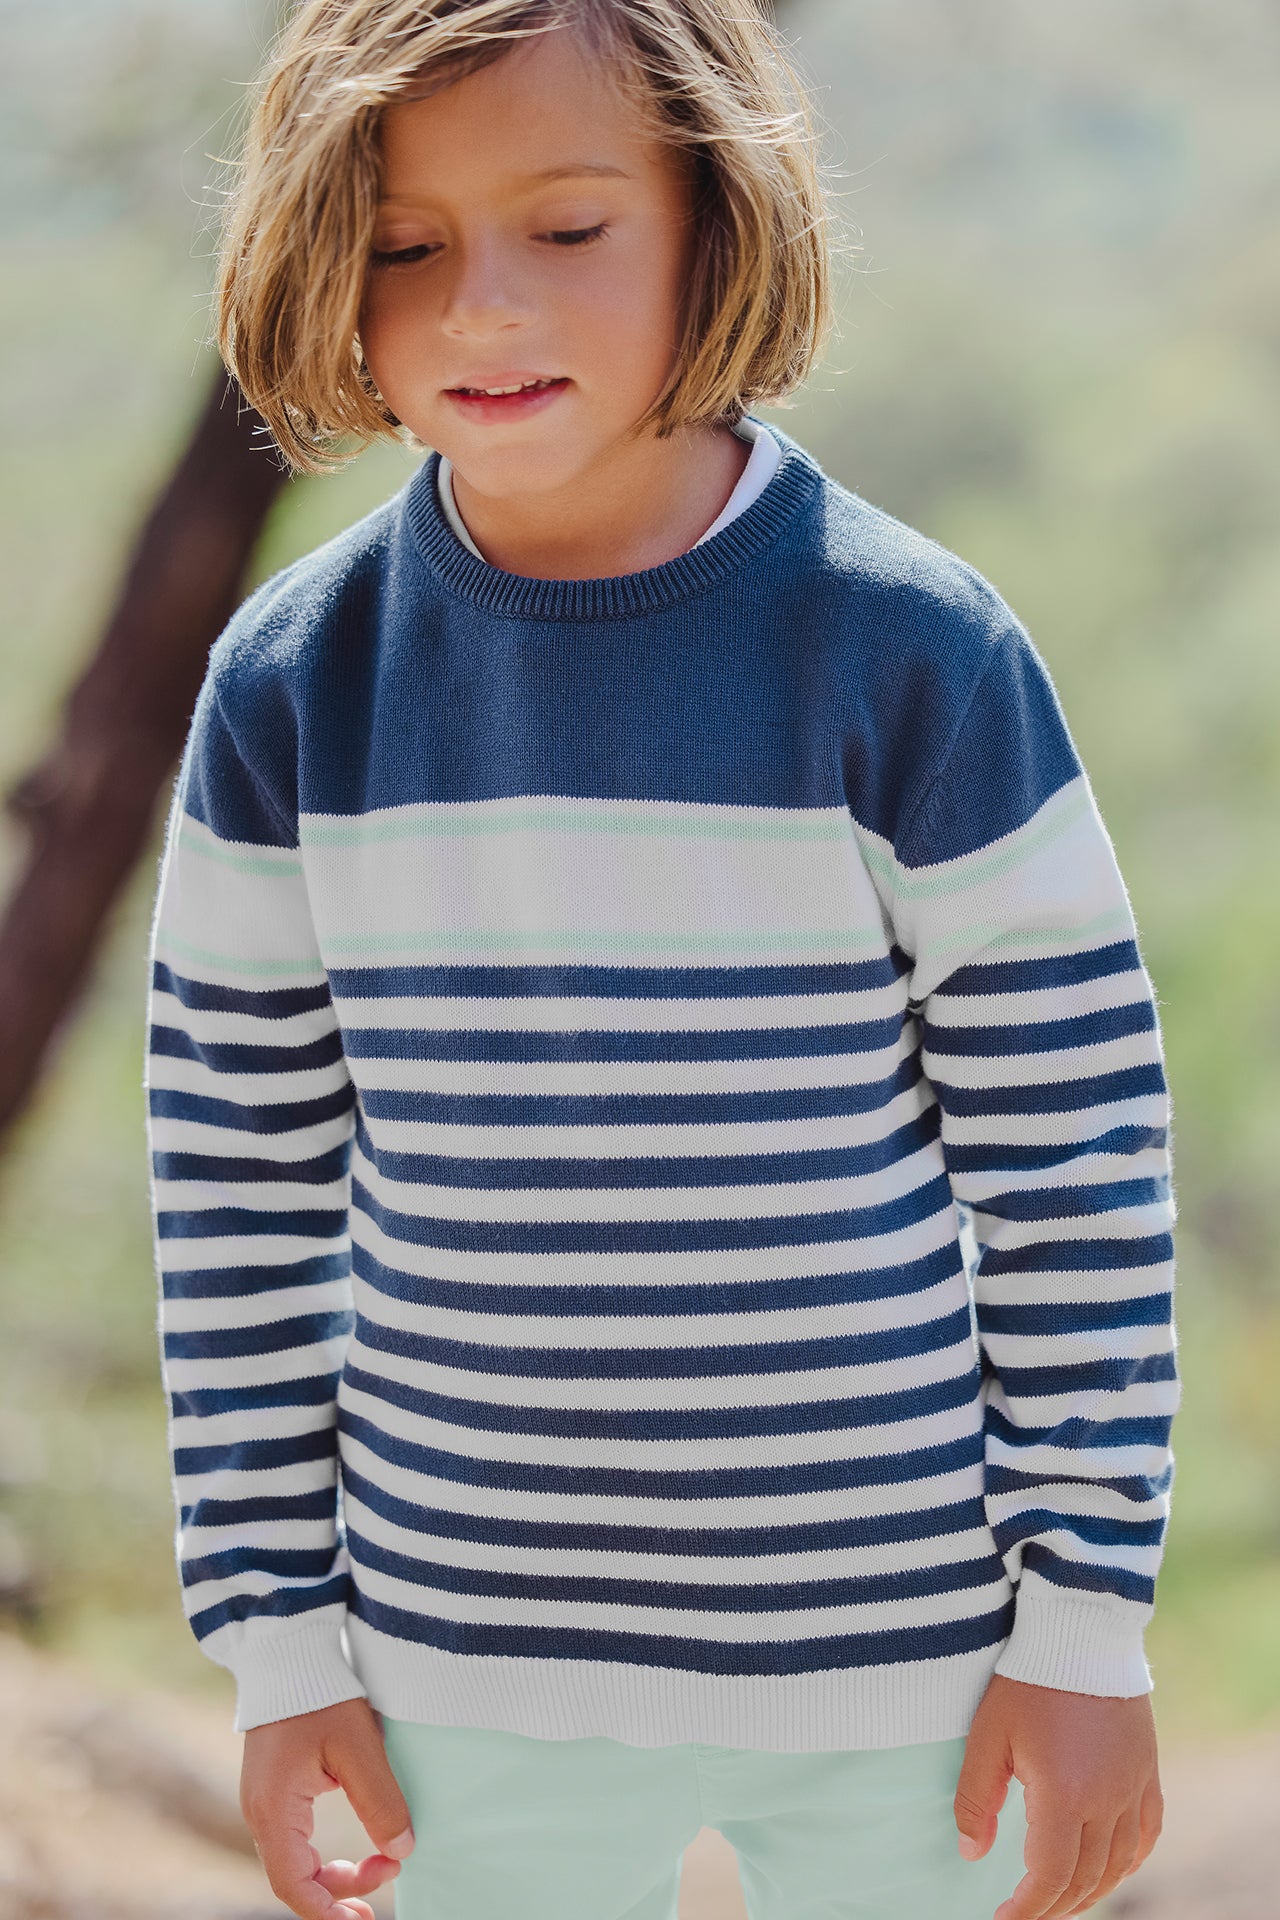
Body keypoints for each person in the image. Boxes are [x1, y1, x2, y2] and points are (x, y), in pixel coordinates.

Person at [143, 4, 1181, 1918]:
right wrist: (280, 1648)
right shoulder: (293, 687)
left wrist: (1085, 1624)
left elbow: (1076, 1165)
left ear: (717, 216)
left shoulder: (915, 652)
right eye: (405, 244)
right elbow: (236, 1202)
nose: (481, 306)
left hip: (909, 1658)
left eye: (569, 226)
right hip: (459, 1661)